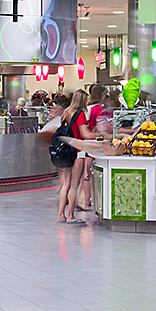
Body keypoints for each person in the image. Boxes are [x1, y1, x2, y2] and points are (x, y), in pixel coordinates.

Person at [57, 89, 95, 224]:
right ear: (83, 100)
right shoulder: (80, 114)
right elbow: (85, 134)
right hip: (77, 151)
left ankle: (61, 214)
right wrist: (98, 135)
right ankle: (70, 215)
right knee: (74, 186)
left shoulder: (66, 112)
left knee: (65, 185)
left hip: (64, 150)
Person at [77, 84, 106, 211]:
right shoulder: (99, 109)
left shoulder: (87, 108)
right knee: (93, 173)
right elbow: (103, 127)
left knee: (86, 174)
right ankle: (91, 200)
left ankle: (84, 200)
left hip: (85, 143)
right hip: (96, 143)